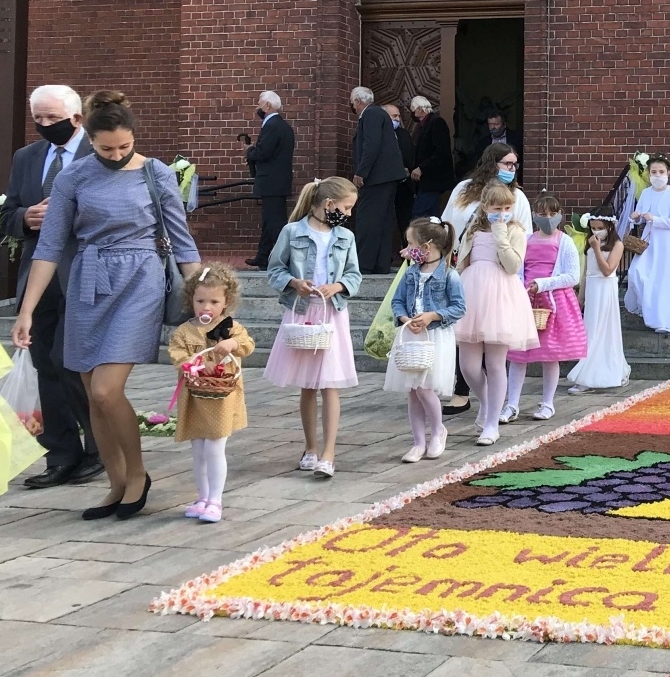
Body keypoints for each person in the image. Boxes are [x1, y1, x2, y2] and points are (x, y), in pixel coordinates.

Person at [13, 90, 201, 520]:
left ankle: (137, 475)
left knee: (105, 388)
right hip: (87, 281)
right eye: (106, 148)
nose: (116, 155)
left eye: (124, 146)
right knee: (91, 394)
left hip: (140, 281)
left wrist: (206, 303)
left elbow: (183, 243)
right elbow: (50, 245)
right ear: (90, 139)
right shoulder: (73, 178)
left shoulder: (156, 173)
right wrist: (26, 311)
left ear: (134, 136)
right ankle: (115, 485)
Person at [0, 83, 99, 489]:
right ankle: (60, 454)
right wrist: (26, 217)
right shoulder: (27, 157)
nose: (43, 125)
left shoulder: (101, 153)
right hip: (37, 278)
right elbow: (7, 213)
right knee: (45, 364)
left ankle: (99, 449)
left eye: (51, 119)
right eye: (37, 118)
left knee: (74, 363)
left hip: (82, 273)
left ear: (76, 118)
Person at [264, 176, 362, 479]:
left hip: (332, 313)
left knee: (330, 384)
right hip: (303, 312)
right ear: (328, 204)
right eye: (345, 208)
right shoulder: (292, 231)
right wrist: (294, 282)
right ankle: (310, 448)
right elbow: (274, 268)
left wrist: (340, 285)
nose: (347, 214)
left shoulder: (345, 237)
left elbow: (355, 275)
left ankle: (329, 453)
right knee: (307, 385)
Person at [442, 142, 527, 416]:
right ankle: (467, 393)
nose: (512, 169)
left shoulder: (518, 197)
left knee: (493, 354)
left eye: (515, 165)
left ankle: (490, 409)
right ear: (492, 163)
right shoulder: (464, 190)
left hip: (500, 278)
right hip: (469, 274)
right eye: (507, 164)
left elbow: (519, 238)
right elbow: (448, 223)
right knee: (466, 344)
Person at [168, 265, 254, 524]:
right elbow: (176, 354)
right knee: (198, 449)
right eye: (200, 301)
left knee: (215, 446)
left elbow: (248, 345)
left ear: (226, 302)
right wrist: (192, 363)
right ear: (191, 300)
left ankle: (216, 499)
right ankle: (202, 496)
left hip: (220, 398)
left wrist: (233, 344)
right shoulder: (185, 331)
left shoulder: (231, 328)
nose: (206, 307)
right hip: (195, 397)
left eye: (214, 302)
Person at [456, 182, 540, 440]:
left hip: (501, 294)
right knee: (468, 366)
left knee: (495, 363)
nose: (502, 212)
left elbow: (513, 266)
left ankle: (492, 422)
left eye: (507, 207)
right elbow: (464, 260)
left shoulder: (515, 230)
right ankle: (487, 401)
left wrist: (500, 233)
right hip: (472, 291)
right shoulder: (473, 228)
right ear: (485, 206)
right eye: (497, 207)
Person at [385, 217, 465, 463]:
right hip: (412, 336)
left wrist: (432, 316)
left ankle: (438, 429)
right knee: (413, 390)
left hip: (435, 337)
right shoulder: (410, 273)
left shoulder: (450, 276)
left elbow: (459, 307)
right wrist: (404, 317)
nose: (408, 250)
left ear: (426, 246)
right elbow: (396, 301)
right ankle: (418, 441)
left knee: (424, 388)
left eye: (411, 244)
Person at [506, 195, 588, 420]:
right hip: (526, 300)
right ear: (534, 216)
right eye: (543, 214)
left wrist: (542, 284)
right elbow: (517, 268)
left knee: (550, 354)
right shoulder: (526, 240)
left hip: (554, 303)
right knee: (517, 353)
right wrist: (520, 288)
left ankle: (548, 403)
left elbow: (572, 276)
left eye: (553, 214)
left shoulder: (565, 241)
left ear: (560, 215)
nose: (548, 219)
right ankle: (512, 404)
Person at [567, 213, 631, 393]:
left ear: (609, 227)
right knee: (590, 329)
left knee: (601, 329)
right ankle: (590, 371)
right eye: (593, 228)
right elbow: (587, 270)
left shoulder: (617, 245)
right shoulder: (591, 242)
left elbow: (607, 270)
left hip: (605, 288)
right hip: (592, 288)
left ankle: (589, 376)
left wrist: (596, 249)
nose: (596, 232)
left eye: (599, 228)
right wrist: (581, 295)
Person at [625, 155, 670, 333]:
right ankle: (647, 309)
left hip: (665, 241)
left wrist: (655, 219)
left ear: (668, 173)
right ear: (648, 174)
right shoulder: (646, 193)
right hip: (648, 240)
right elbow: (640, 217)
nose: (657, 175)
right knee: (636, 271)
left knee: (663, 278)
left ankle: (664, 319)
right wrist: (635, 218)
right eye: (654, 172)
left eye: (661, 172)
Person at [349, 87, 407, 274]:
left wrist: (361, 172)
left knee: (368, 219)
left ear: (358, 101)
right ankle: (380, 263)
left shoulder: (371, 114)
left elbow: (371, 144)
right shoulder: (378, 114)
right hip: (385, 177)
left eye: (353, 103)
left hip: (376, 178)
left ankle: (365, 263)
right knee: (382, 220)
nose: (353, 107)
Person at [243, 90, 295, 270]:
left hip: (272, 182)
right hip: (277, 182)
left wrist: (249, 151)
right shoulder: (282, 126)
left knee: (274, 223)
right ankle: (263, 256)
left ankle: (285, 258)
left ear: (267, 105)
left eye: (259, 103)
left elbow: (263, 152)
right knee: (269, 220)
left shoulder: (272, 126)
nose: (257, 107)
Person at [409, 96, 455, 217]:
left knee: (420, 214)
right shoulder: (424, 125)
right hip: (426, 182)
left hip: (432, 180)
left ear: (420, 109)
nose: (412, 113)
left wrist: (422, 168)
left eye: (413, 109)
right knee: (431, 215)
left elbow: (441, 152)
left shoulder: (436, 122)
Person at [383, 103, 418, 252]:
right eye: (394, 116)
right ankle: (386, 255)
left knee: (406, 220)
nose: (398, 119)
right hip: (385, 184)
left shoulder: (404, 134)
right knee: (385, 220)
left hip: (404, 185)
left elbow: (410, 155)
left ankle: (408, 250)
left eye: (398, 116)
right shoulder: (379, 133)